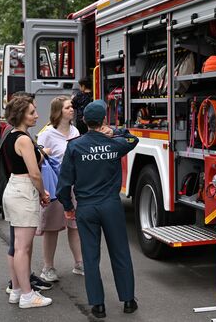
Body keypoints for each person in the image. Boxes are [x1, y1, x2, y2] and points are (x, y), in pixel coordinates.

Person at [57, 100, 139, 318]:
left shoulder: (74, 146)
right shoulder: (115, 143)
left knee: (90, 256)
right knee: (120, 252)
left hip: (86, 207)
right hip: (111, 205)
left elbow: (64, 183)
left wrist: (67, 206)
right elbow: (133, 139)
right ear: (104, 120)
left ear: (84, 121)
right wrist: (116, 130)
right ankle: (128, 300)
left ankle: (98, 305)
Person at [2, 95, 52, 308]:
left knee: (16, 247)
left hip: (13, 188)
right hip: (23, 192)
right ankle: (28, 295)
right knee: (23, 248)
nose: (36, 116)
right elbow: (35, 174)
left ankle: (16, 290)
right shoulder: (23, 139)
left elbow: (21, 164)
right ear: (21, 114)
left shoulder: (11, 135)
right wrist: (43, 193)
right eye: (32, 112)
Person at [37, 96, 84, 281]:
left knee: (75, 226)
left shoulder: (75, 130)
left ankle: (79, 263)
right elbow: (36, 159)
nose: (71, 109)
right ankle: (48, 268)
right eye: (67, 107)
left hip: (75, 185)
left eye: (71, 107)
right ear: (58, 112)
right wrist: (44, 153)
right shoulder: (47, 133)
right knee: (52, 228)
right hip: (55, 186)